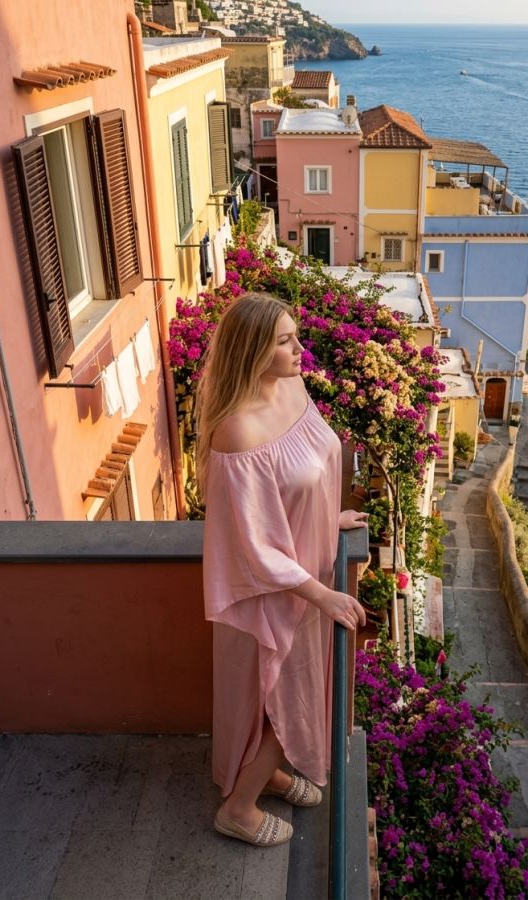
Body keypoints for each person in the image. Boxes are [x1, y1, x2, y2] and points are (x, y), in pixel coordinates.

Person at [196, 292, 367, 848]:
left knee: (285, 693)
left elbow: (311, 462)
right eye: (285, 340)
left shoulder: (291, 387)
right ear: (252, 351)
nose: (301, 348)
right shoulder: (237, 435)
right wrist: (322, 595)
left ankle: (263, 775)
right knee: (282, 694)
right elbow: (253, 545)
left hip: (307, 574)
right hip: (277, 592)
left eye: (296, 335)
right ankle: (238, 808)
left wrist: (327, 515)